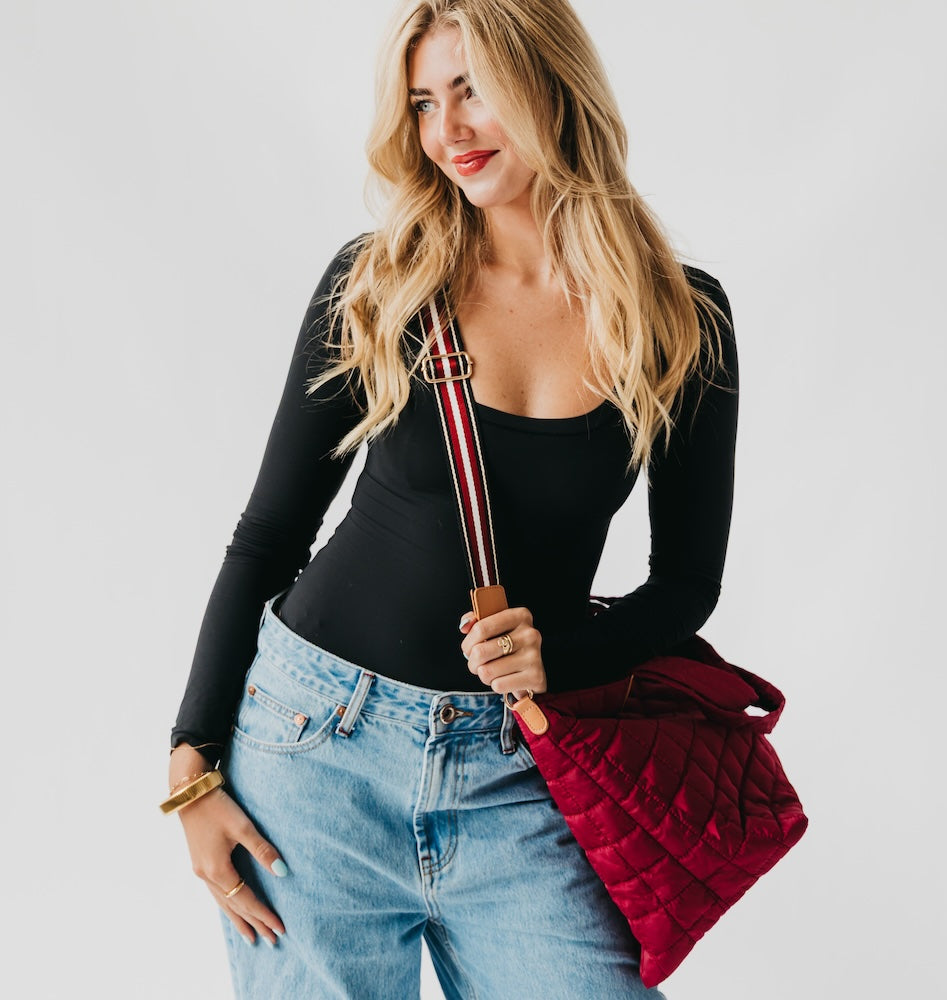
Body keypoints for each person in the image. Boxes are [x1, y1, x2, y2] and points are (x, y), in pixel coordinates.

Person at [164, 0, 738, 996]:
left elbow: (686, 583)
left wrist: (558, 655)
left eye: (472, 90)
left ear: (551, 81)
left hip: (522, 773)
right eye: (425, 103)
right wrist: (192, 763)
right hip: (314, 753)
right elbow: (270, 535)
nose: (448, 130)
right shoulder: (383, 281)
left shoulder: (679, 315)